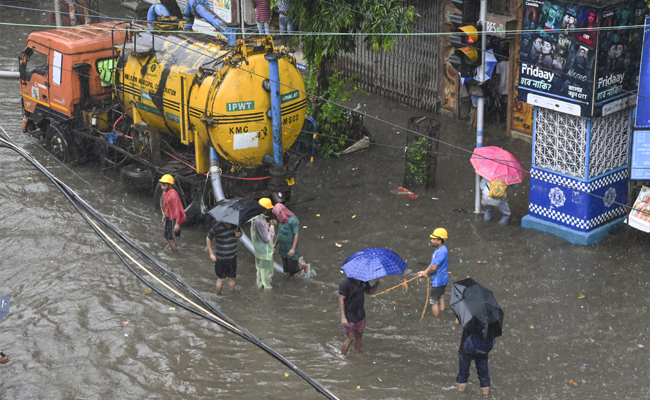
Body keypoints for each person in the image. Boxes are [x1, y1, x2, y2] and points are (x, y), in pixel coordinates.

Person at [338, 277, 380, 356]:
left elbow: (368, 291)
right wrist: (343, 317)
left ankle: (357, 353)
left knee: (359, 334)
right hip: (349, 314)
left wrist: (376, 285)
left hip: (360, 313)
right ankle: (342, 357)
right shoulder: (346, 283)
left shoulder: (364, 280)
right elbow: (341, 299)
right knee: (350, 338)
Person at [272, 203, 312, 280]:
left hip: (291, 248)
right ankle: (291, 284)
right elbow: (280, 233)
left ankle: (305, 266)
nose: (276, 216)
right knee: (287, 270)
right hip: (283, 249)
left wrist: (293, 248)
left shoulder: (294, 220)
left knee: (293, 270)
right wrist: (275, 244)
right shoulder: (281, 220)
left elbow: (296, 234)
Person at [456, 318, 494, 395]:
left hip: (466, 348)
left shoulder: (469, 311)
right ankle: (486, 395)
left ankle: (461, 394)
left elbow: (457, 321)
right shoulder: (491, 314)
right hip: (482, 349)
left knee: (463, 375)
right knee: (484, 375)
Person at [417, 228, 449, 317]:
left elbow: (434, 268)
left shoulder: (441, 252)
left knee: (433, 301)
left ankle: (436, 320)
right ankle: (442, 315)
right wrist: (424, 272)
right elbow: (432, 264)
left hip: (438, 281)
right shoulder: (440, 249)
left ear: (439, 240)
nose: (431, 240)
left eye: (433, 239)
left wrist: (427, 274)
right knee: (441, 298)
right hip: (443, 279)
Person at [206, 220, 242, 295]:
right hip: (221, 259)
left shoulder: (236, 226)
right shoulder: (217, 227)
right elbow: (208, 238)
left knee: (231, 278)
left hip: (232, 258)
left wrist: (240, 234)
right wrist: (211, 254)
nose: (228, 224)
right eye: (226, 223)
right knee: (221, 279)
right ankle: (218, 296)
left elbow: (240, 234)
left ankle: (231, 296)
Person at [251, 198, 276, 289]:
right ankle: (266, 286)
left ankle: (260, 284)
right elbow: (267, 238)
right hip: (264, 250)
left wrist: (268, 225)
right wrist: (272, 226)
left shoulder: (254, 218)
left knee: (260, 269)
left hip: (258, 250)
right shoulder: (260, 221)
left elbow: (260, 233)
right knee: (267, 271)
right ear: (265, 209)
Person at [159, 174, 186, 253]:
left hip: (173, 219)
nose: (162, 187)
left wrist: (177, 223)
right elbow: (166, 205)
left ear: (170, 185)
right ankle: (174, 249)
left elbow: (177, 209)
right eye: (161, 185)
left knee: (170, 238)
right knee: (166, 236)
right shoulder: (165, 192)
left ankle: (176, 255)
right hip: (168, 217)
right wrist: (164, 215)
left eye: (164, 185)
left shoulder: (173, 194)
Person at [493, 59, 509, 125]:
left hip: (500, 88)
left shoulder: (499, 64)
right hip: (508, 89)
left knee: (498, 106)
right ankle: (507, 121)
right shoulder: (511, 64)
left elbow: (497, 77)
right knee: (507, 106)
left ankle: (498, 121)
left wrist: (494, 88)